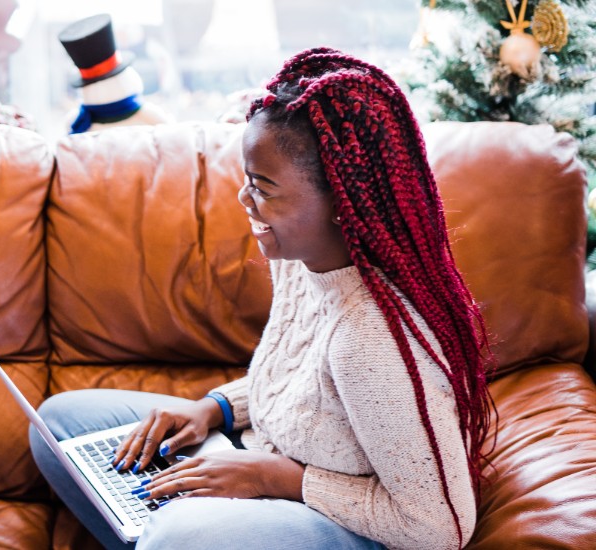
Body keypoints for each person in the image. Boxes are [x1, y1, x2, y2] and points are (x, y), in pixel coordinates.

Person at [30, 47, 493, 549]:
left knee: (177, 536)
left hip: (349, 524)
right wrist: (214, 410)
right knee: (58, 428)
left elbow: (439, 528)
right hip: (264, 464)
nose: (244, 200)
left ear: (342, 202)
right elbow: (304, 388)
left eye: (264, 187)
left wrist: (277, 479)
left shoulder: (372, 339)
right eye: (247, 181)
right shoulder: (299, 259)